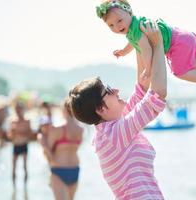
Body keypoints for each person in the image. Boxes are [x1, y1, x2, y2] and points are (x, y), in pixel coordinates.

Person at [68, 22, 167, 199]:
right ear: (100, 108)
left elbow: (141, 91)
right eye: (108, 90)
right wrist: (158, 45)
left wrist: (137, 35)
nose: (116, 91)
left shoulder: (111, 130)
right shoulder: (112, 135)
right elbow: (157, 95)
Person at [96, 0, 196, 97]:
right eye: (111, 25)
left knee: (180, 72)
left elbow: (146, 50)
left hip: (177, 44)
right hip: (184, 36)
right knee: (195, 66)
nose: (117, 27)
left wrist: (148, 70)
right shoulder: (132, 29)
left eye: (119, 21)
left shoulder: (136, 29)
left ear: (130, 13)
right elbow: (133, 43)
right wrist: (123, 52)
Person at [37, 101, 84, 200]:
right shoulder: (80, 129)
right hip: (75, 169)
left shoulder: (57, 129)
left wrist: (43, 143)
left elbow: (50, 156)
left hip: (59, 169)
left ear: (63, 110)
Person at [8, 102, 32, 186]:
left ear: (22, 110)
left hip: (24, 144)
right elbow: (10, 136)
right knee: (13, 167)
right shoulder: (12, 121)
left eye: (19, 109)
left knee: (25, 166)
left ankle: (25, 187)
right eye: (17, 109)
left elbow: (30, 134)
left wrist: (21, 133)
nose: (18, 111)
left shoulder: (27, 121)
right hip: (16, 145)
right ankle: (13, 187)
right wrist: (13, 133)